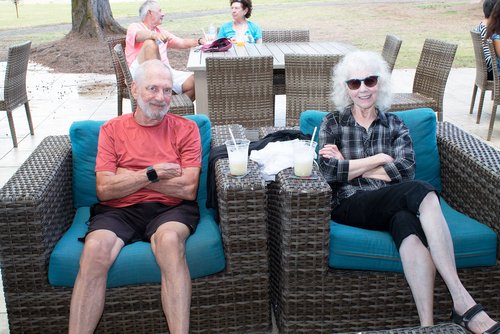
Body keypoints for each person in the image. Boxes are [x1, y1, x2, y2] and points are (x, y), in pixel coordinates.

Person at [318, 50, 500, 334]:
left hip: (392, 203)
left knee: (406, 221)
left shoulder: (396, 124)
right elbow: (329, 172)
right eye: (355, 83)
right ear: (346, 88)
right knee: (422, 191)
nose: (363, 89)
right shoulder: (333, 123)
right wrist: (380, 159)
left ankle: (427, 326)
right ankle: (463, 301)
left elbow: (405, 170)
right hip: (350, 204)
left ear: (380, 83)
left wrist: (349, 165)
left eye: (370, 80)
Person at [68, 59, 202, 334]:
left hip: (171, 210)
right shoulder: (112, 130)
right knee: (94, 250)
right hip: (118, 211)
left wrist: (127, 174)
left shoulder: (186, 129)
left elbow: (187, 189)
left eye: (167, 90)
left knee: (169, 242)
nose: (161, 97)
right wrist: (152, 173)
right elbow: (104, 189)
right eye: (152, 88)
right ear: (134, 90)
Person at [125, 0, 205, 101]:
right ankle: (159, 93)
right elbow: (139, 35)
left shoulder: (161, 32)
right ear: (150, 12)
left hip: (164, 72)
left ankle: (169, 110)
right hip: (140, 72)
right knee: (150, 43)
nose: (163, 14)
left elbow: (182, 42)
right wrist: (153, 35)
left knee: (196, 81)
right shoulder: (135, 27)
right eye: (160, 11)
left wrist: (200, 41)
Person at [477, 0, 497, 79]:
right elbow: (489, 59)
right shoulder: (487, 29)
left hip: (487, 70)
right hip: (492, 71)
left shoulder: (483, 25)